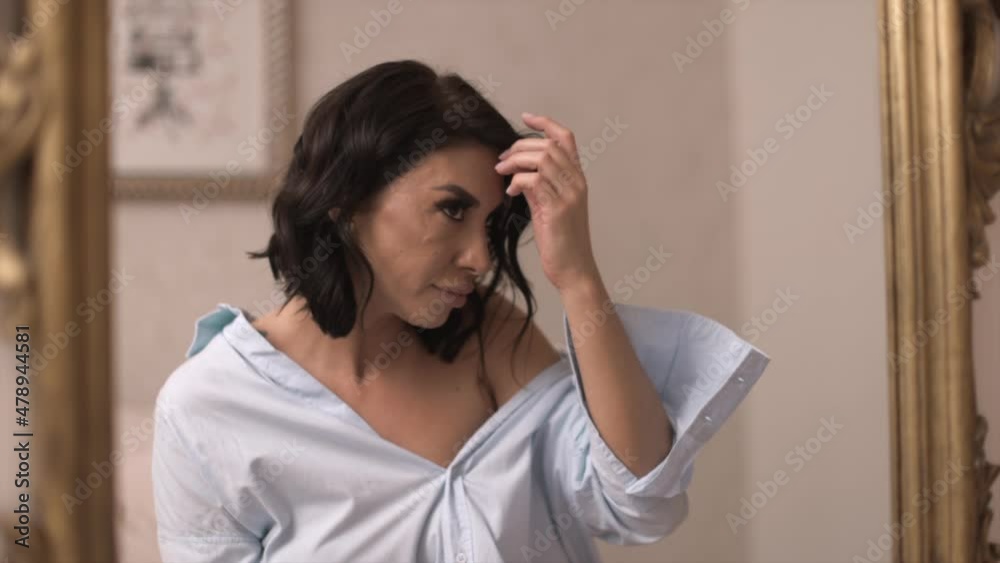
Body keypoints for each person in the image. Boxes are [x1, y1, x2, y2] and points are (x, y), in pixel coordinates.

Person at [151, 59, 770, 562]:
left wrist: (578, 277)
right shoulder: (209, 407)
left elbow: (640, 503)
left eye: (491, 225)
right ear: (346, 202)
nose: (480, 258)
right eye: (451, 210)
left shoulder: (490, 337)